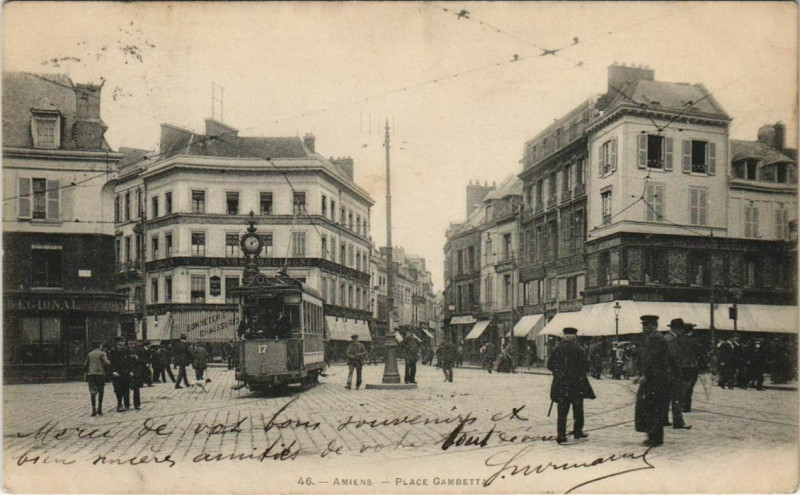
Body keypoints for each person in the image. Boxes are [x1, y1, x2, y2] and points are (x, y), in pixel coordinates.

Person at [547, 327, 595, 444]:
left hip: (561, 384)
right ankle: (578, 432)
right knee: (578, 409)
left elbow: (549, 365)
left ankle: (561, 435)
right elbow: (585, 366)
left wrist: (559, 372)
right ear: (574, 338)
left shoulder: (557, 349)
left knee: (562, 410)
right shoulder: (578, 350)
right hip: (576, 385)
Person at [635, 315, 671, 447]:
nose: (643, 328)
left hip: (656, 379)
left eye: (645, 326)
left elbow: (652, 358)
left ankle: (655, 436)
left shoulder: (655, 338)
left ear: (652, 326)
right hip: (655, 377)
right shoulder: (653, 338)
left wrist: (645, 374)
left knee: (652, 407)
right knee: (651, 406)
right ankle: (653, 434)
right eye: (643, 326)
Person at [663, 319, 690, 429]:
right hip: (673, 373)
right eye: (682, 330)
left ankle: (663, 419)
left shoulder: (666, 337)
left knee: (666, 398)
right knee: (677, 397)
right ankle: (678, 422)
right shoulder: (673, 339)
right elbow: (673, 356)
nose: (682, 332)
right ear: (678, 329)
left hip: (666, 372)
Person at [678, 323, 704, 412]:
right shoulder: (694, 341)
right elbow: (700, 354)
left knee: (681, 385)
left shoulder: (678, 340)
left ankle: (680, 404)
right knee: (689, 386)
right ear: (691, 331)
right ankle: (686, 406)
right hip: (692, 366)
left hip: (680, 366)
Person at [84, 341, 111, 416]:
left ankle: (93, 409)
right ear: (100, 345)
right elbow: (107, 363)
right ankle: (99, 408)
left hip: (91, 375)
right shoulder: (102, 353)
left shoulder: (89, 354)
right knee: (101, 391)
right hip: (100, 374)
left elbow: (85, 364)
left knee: (93, 392)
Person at [107, 337, 132, 412]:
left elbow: (129, 362)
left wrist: (131, 370)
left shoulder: (126, 350)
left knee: (126, 389)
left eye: (123, 341)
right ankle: (119, 404)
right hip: (117, 373)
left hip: (126, 373)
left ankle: (127, 404)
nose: (123, 343)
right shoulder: (113, 351)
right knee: (118, 389)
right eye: (121, 341)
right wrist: (113, 371)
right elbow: (110, 363)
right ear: (117, 342)